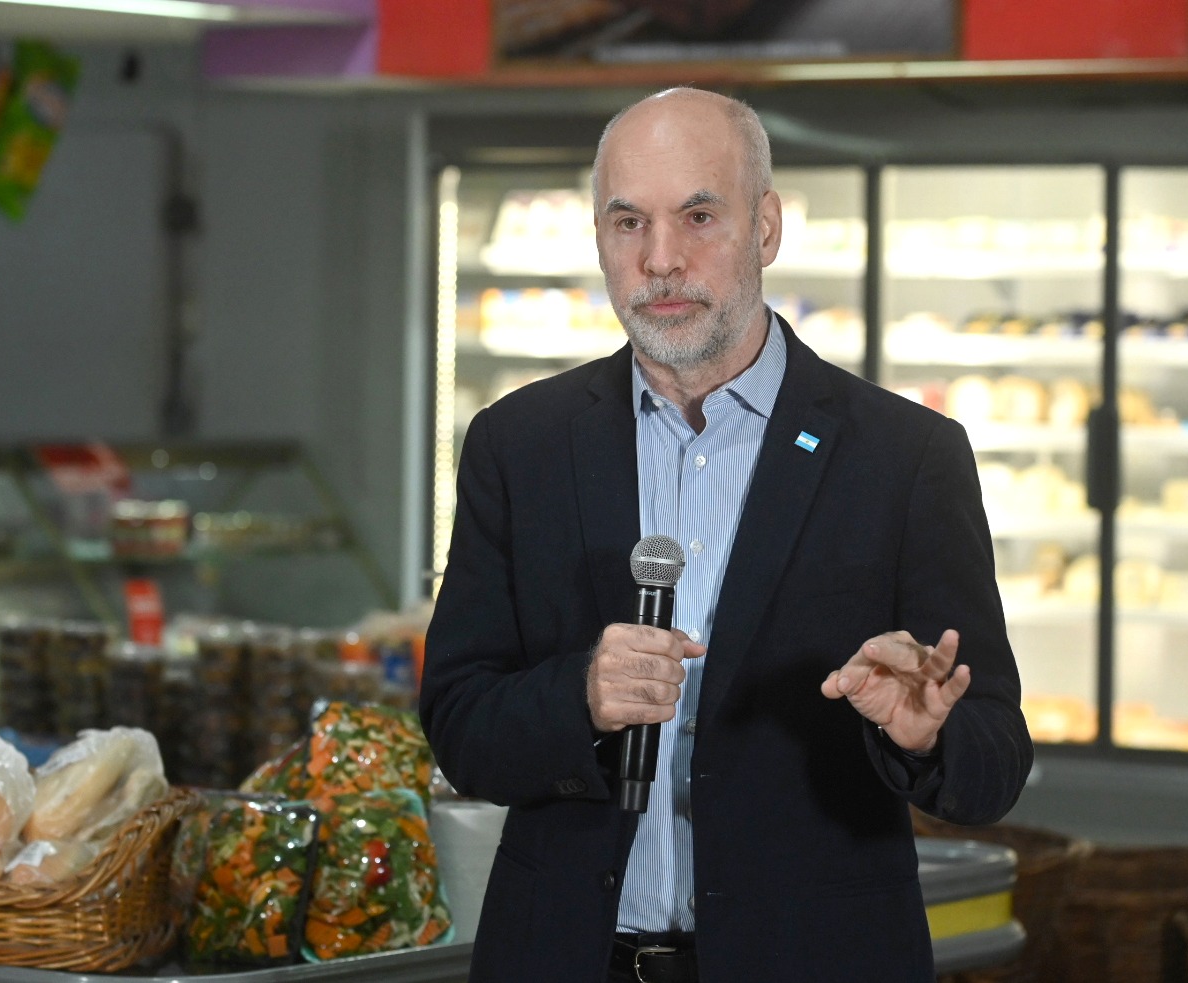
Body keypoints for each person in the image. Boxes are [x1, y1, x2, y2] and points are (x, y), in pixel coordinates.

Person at [420, 87, 1032, 983]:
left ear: (766, 228)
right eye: (628, 222)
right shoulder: (519, 444)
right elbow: (458, 723)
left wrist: (924, 738)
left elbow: (995, 760)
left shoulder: (905, 456)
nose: (660, 259)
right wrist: (579, 696)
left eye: (698, 216)